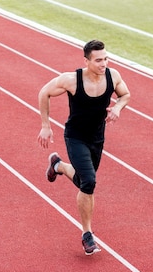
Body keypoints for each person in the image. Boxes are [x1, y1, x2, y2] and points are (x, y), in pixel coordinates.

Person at [37, 40, 131, 255]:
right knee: (88, 182)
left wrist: (117, 107)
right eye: (98, 60)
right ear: (86, 61)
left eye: (106, 58)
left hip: (97, 138)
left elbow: (125, 94)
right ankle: (87, 234)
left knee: (83, 180)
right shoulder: (72, 80)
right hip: (76, 137)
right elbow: (44, 92)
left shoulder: (112, 76)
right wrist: (45, 125)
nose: (103, 63)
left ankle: (59, 165)